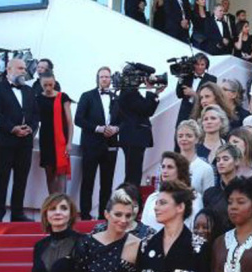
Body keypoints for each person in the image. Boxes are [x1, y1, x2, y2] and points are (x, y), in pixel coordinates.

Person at [0, 58, 39, 222]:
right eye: (20, 68)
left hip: (25, 142)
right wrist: (12, 128)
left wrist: (31, 128)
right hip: (5, 140)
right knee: (2, 177)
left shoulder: (29, 91)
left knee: (21, 178)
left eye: (24, 68)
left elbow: (35, 114)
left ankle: (17, 213)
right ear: (9, 69)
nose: (24, 71)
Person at [76, 67, 120, 221]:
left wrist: (116, 128)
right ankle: (85, 215)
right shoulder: (87, 96)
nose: (105, 79)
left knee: (107, 183)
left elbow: (122, 120)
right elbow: (78, 119)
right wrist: (98, 129)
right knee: (88, 181)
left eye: (107, 77)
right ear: (97, 79)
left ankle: (104, 215)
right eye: (102, 77)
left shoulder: (116, 98)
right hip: (91, 145)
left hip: (111, 145)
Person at [118, 77, 164, 186]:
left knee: (135, 173)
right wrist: (149, 90)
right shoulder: (128, 93)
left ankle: (131, 198)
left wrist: (155, 93)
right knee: (133, 175)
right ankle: (130, 199)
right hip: (132, 138)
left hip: (136, 139)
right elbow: (146, 109)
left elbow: (148, 110)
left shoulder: (133, 92)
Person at [142, 152, 204, 231]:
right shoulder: (152, 198)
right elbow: (144, 228)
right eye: (163, 167)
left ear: (180, 171)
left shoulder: (194, 198)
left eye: (170, 167)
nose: (164, 171)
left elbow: (195, 227)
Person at [36, 72, 73, 195]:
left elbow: (69, 122)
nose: (48, 88)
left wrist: (69, 143)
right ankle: (52, 203)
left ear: (55, 82)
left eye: (50, 84)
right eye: (45, 85)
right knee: (49, 173)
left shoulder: (63, 97)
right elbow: (35, 120)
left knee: (61, 173)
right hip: (46, 139)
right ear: (40, 83)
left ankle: (62, 202)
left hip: (61, 140)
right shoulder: (38, 98)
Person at [175, 54, 217, 130]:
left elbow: (211, 98)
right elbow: (179, 94)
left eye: (202, 64)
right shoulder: (187, 76)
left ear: (206, 66)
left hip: (200, 112)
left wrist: (194, 94)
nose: (200, 67)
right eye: (197, 64)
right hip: (185, 111)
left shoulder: (211, 79)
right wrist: (180, 78)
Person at [175, 120, 214, 196]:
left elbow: (209, 198)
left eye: (189, 136)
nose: (184, 139)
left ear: (197, 139)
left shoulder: (206, 168)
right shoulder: (168, 164)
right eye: (180, 136)